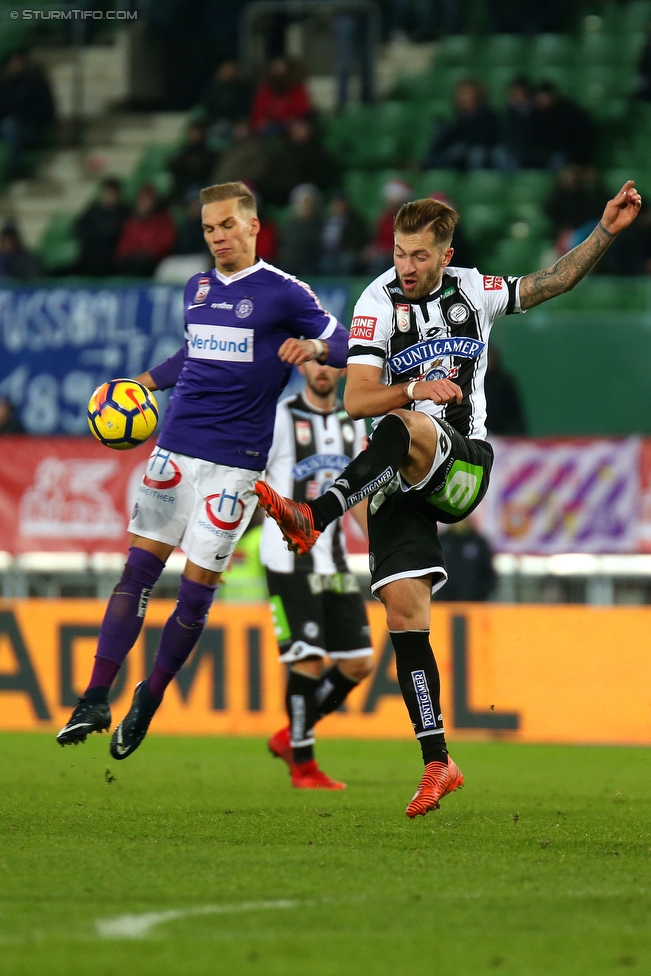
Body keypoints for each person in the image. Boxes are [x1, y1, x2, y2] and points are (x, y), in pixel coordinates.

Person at [255, 182, 642, 818]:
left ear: (445, 254)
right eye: (400, 253)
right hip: (394, 475)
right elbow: (355, 399)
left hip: (462, 466)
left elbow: (551, 282)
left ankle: (314, 518)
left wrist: (603, 232)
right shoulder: (376, 301)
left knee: (407, 423)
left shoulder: (473, 290)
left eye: (418, 256)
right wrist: (415, 385)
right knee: (405, 615)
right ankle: (438, 761)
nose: (404, 266)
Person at [56, 180, 349, 759]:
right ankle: (93, 697)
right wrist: (145, 382)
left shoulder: (284, 294)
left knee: (194, 595)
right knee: (137, 572)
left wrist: (311, 350)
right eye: (209, 228)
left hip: (234, 468)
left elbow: (346, 344)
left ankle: (151, 697)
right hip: (175, 449)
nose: (218, 237)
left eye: (227, 226)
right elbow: (194, 350)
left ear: (253, 226)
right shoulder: (195, 286)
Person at [262, 358, 374, 790]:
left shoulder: (353, 421)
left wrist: (380, 546)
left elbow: (359, 492)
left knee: (359, 663)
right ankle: (304, 765)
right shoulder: (281, 416)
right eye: (314, 361)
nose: (322, 369)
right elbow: (256, 482)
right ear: (302, 367)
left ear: (343, 370)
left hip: (335, 558)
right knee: (308, 659)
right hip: (289, 557)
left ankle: (292, 736)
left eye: (330, 362)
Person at [422, 79, 500, 172]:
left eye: (466, 93)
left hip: (480, 152)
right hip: (460, 154)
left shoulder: (487, 115)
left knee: (476, 153)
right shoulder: (456, 117)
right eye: (460, 94)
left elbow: (487, 138)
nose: (462, 97)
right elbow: (447, 140)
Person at [114, 183, 177, 277]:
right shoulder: (132, 222)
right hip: (132, 261)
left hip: (154, 261)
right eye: (141, 200)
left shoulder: (163, 220)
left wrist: (147, 251)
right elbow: (124, 245)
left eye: (147, 200)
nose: (144, 203)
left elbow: (165, 243)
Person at [74, 178, 130, 277]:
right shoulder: (93, 210)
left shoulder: (124, 213)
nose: (109, 197)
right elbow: (78, 228)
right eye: (106, 193)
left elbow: (117, 233)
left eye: (112, 194)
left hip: (110, 257)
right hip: (89, 254)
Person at [437, 520, 496, 601]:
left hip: (474, 605)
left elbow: (488, 575)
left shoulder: (479, 543)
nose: (459, 521)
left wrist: (480, 597)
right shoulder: (440, 542)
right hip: (442, 605)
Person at [484, 345, 527, 436]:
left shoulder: (504, 381)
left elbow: (514, 412)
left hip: (501, 435)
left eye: (490, 356)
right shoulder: (472, 380)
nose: (488, 360)